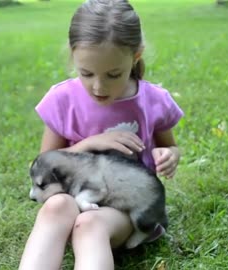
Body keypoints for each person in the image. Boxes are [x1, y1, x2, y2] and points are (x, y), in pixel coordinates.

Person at [19, 0, 183, 269]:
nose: (98, 86)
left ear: (135, 57)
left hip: (121, 208)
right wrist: (91, 143)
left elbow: (172, 148)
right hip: (73, 196)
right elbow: (45, 160)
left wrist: (168, 155)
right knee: (53, 208)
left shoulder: (153, 99)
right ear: (73, 57)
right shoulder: (62, 99)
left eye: (113, 74)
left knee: (89, 224)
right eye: (86, 73)